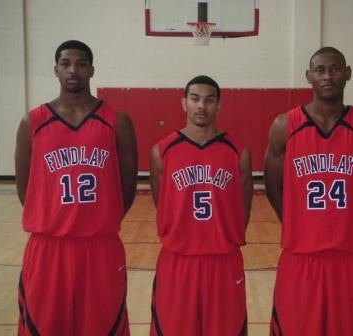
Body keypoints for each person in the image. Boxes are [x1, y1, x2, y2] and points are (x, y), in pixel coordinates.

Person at [14, 40, 137, 335]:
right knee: (44, 326)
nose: (73, 70)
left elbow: (128, 186)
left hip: (100, 245)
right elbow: (24, 188)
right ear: (55, 70)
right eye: (66, 64)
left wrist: (102, 220)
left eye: (81, 64)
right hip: (48, 246)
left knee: (102, 326)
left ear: (92, 70)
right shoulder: (32, 121)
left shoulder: (117, 121)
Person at [264, 46, 353, 336]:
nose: (327, 76)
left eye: (335, 68)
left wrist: (350, 221)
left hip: (350, 256)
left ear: (348, 74)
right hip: (300, 256)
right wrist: (298, 223)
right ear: (308, 76)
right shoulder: (285, 125)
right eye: (319, 70)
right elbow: (272, 186)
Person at [149, 75, 253, 336]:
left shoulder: (238, 151)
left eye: (209, 100)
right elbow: (160, 200)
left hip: (223, 261)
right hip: (177, 260)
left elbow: (244, 207)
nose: (201, 106)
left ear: (219, 105)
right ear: (184, 103)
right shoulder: (162, 150)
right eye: (195, 99)